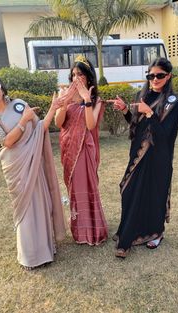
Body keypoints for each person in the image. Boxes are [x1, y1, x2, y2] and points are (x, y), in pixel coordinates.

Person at [0, 72, 66, 269]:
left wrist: (53, 107)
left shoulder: (19, 104)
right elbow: (7, 142)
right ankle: (30, 256)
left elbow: (41, 128)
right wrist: (23, 120)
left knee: (40, 202)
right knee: (25, 209)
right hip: (15, 166)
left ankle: (45, 250)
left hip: (33, 160)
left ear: (1, 86)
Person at [108, 58, 178, 258]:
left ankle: (156, 233)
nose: (155, 79)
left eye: (160, 75)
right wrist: (126, 110)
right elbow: (136, 125)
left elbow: (165, 136)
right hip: (139, 155)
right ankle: (129, 232)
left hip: (159, 157)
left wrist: (150, 113)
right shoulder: (142, 96)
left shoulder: (174, 103)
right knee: (130, 191)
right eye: (151, 75)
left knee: (155, 194)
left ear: (168, 76)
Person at [55, 55, 108, 245]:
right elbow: (58, 123)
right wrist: (64, 102)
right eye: (73, 74)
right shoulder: (66, 96)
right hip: (68, 148)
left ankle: (93, 231)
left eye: (81, 75)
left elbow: (90, 124)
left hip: (85, 150)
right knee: (75, 190)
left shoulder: (96, 99)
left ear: (88, 77)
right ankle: (79, 230)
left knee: (88, 186)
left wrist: (86, 100)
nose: (76, 78)